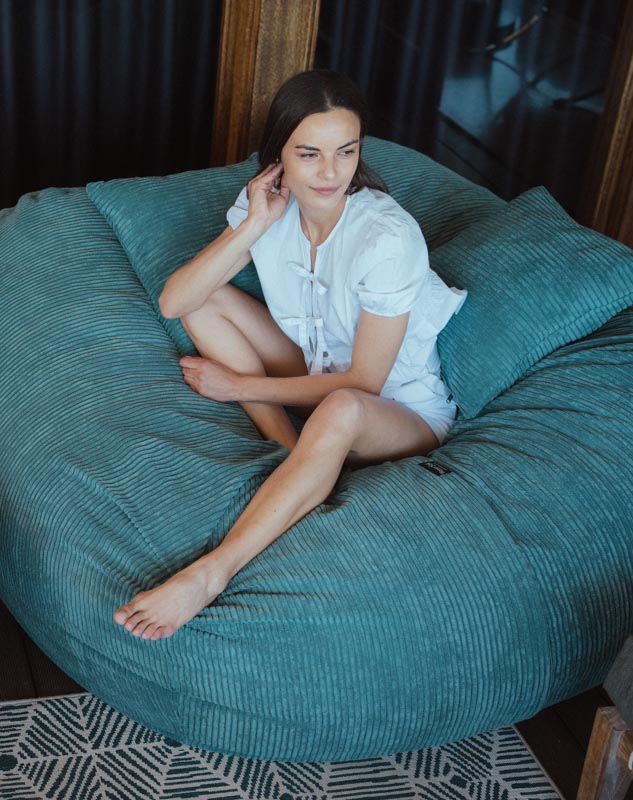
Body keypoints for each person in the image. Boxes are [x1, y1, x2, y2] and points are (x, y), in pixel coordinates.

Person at [113, 70, 467, 641]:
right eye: (309, 154)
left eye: (345, 152)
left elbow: (365, 382)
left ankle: (210, 574)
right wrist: (256, 222)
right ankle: (285, 447)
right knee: (206, 300)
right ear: (278, 154)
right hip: (315, 371)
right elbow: (175, 302)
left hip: (395, 412)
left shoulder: (387, 238)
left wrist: (240, 386)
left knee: (343, 408)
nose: (330, 173)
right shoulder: (269, 206)